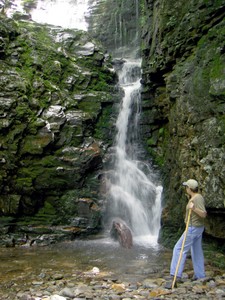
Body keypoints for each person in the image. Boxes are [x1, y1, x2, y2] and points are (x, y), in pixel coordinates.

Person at [169, 179, 207, 283]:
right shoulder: (195, 197)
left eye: (186, 187)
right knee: (197, 252)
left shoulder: (197, 198)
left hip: (192, 228)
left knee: (178, 249)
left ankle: (175, 274)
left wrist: (194, 208)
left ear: (190, 189)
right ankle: (200, 275)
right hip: (197, 228)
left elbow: (203, 214)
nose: (185, 189)